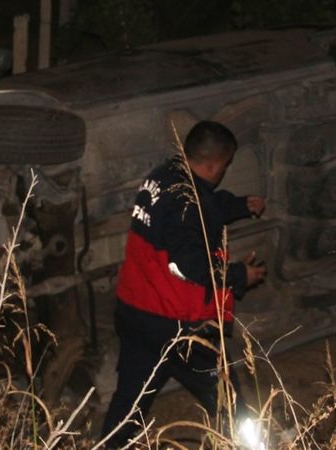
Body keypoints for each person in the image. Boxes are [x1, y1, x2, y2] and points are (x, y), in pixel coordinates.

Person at [100, 120, 267, 447]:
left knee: (129, 402)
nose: (224, 171)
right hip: (178, 328)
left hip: (137, 314)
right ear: (213, 164)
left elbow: (201, 209)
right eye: (225, 165)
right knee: (226, 400)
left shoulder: (165, 177)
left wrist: (238, 205)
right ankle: (254, 446)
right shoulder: (188, 203)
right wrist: (238, 276)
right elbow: (188, 264)